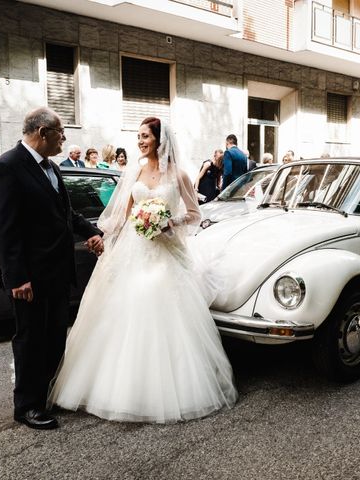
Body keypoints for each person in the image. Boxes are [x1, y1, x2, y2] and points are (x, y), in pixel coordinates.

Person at [48, 116, 237, 423]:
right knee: (121, 311)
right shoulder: (133, 170)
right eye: (138, 136)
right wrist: (103, 237)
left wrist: (168, 223)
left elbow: (193, 214)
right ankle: (113, 386)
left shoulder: (179, 176)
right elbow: (122, 215)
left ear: (160, 140)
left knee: (163, 313)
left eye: (145, 136)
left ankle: (162, 390)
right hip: (132, 250)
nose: (140, 141)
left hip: (164, 251)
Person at [0, 107, 104, 430]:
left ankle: (46, 394)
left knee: (54, 338)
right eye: (61, 134)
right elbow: (3, 229)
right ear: (42, 132)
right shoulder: (7, 167)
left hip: (57, 272)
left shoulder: (51, 167)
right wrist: (17, 277)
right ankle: (27, 406)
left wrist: (92, 231)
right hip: (30, 278)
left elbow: (65, 213)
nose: (64, 140)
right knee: (30, 340)